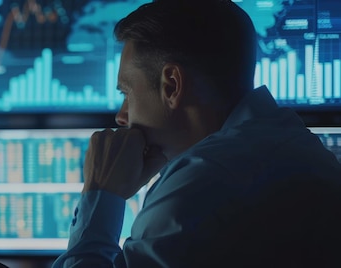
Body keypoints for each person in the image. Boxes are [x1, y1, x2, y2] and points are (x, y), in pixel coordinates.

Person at [52, 0, 341, 267]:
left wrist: (101, 193)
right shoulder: (295, 144)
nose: (121, 115)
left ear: (172, 85)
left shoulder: (202, 181)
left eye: (127, 92)